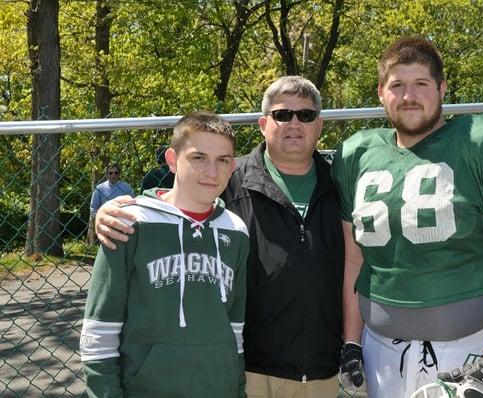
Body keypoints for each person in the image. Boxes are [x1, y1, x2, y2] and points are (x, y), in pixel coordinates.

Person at [93, 76, 344, 398]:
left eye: (306, 115)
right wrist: (114, 209)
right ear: (264, 123)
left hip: (321, 366)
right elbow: (178, 200)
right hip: (247, 367)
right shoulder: (228, 176)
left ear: (319, 125)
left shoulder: (342, 184)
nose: (294, 123)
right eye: (282, 114)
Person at [332, 37, 483, 398]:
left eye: (421, 84)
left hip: (467, 351)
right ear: (381, 93)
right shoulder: (356, 153)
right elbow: (355, 259)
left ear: (442, 88)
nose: (408, 96)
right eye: (397, 86)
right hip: (380, 349)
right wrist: (351, 341)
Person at [79, 111, 249, 398]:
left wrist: (237, 389)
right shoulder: (128, 223)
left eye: (223, 160)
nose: (212, 171)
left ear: (232, 165)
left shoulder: (236, 230)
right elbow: (100, 329)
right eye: (198, 157)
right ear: (172, 159)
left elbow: (235, 328)